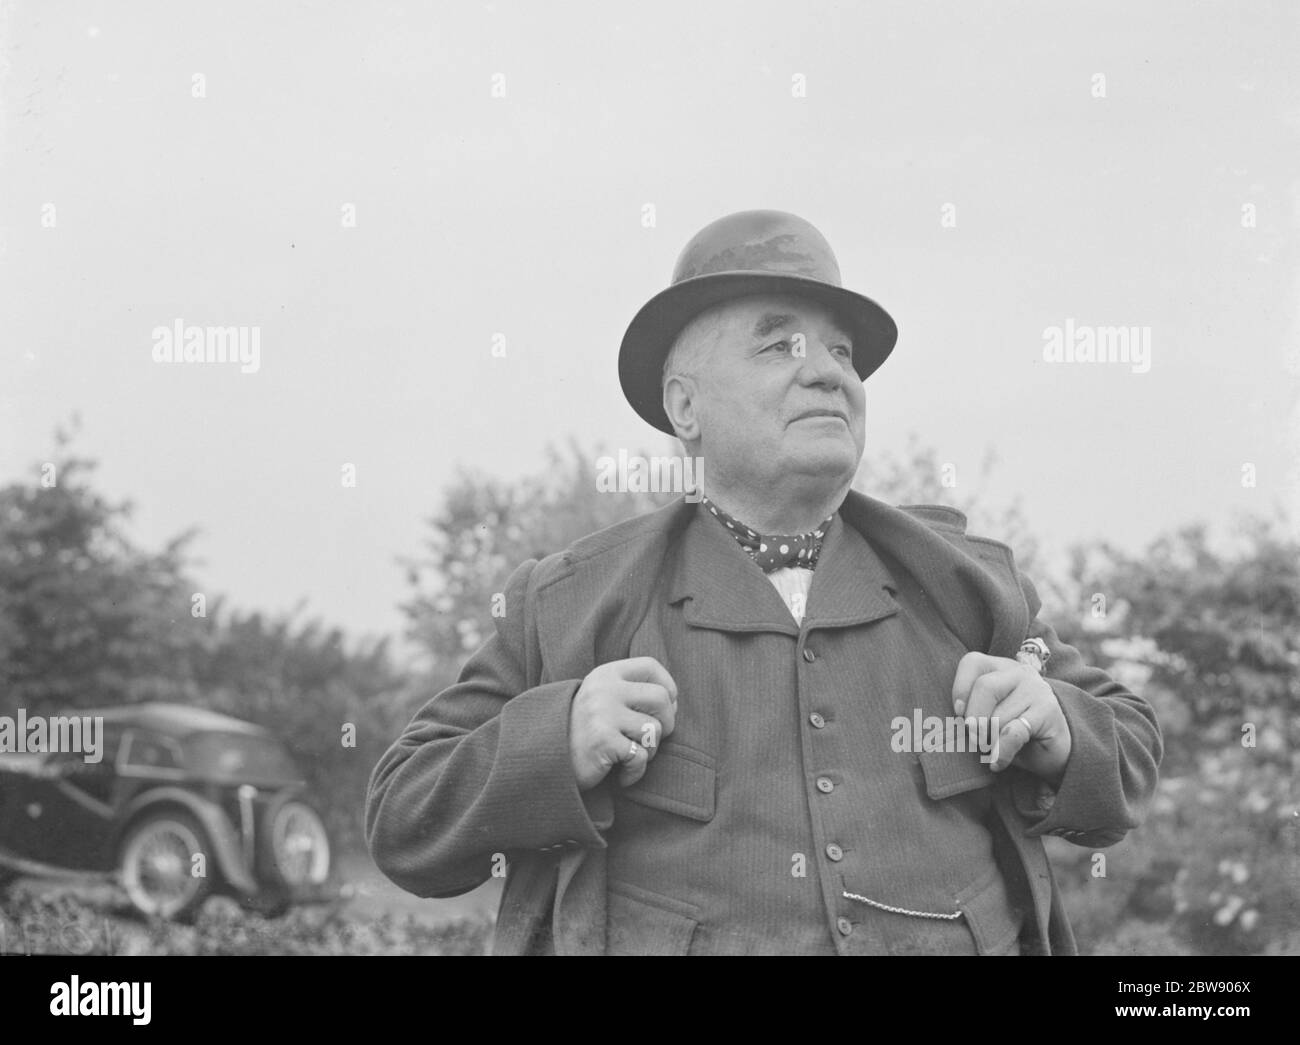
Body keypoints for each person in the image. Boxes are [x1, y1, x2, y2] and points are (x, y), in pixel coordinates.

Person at [365, 209, 1162, 955]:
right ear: (685, 406)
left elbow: (1130, 745)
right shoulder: (568, 603)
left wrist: (1059, 722)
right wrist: (557, 740)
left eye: (841, 352)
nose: (826, 374)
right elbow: (403, 818)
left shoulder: (968, 585)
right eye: (777, 346)